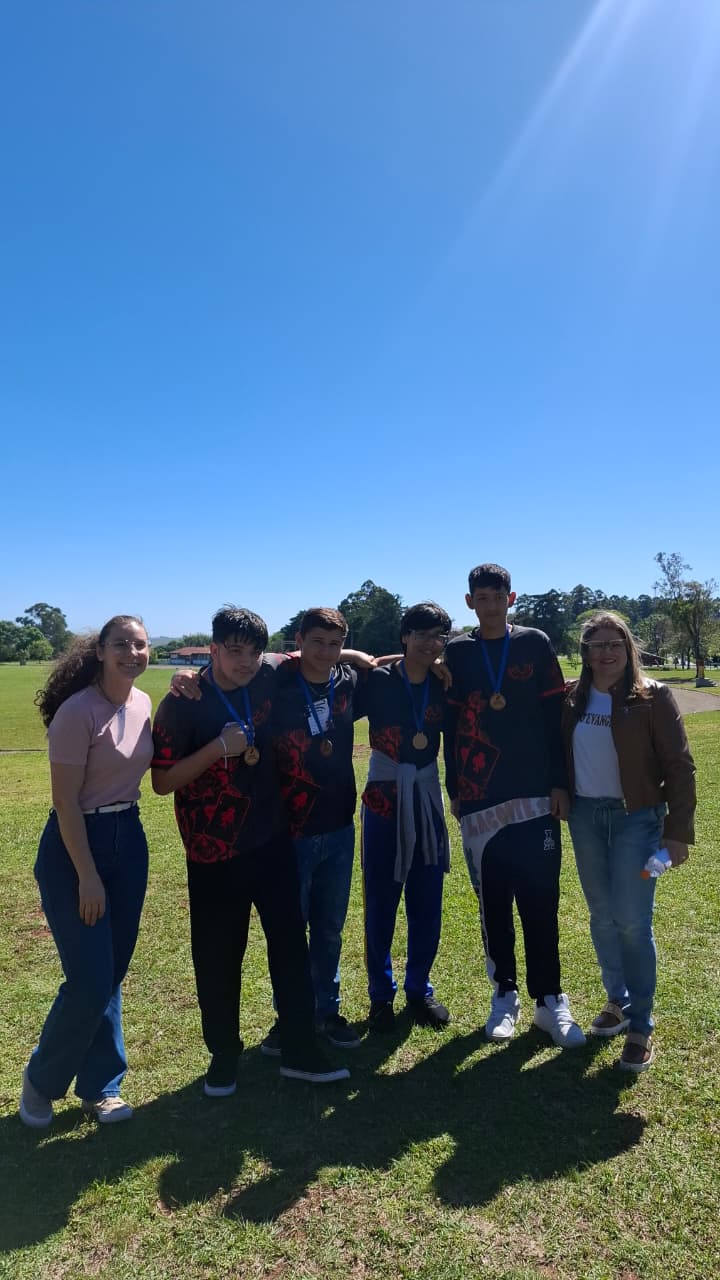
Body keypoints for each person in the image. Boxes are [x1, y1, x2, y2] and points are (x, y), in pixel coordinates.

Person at [151, 606, 350, 1092]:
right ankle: (224, 1056)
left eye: (253, 652)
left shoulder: (269, 676)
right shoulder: (182, 703)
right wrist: (217, 748)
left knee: (290, 947)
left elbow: (320, 655)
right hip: (212, 852)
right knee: (218, 956)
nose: (245, 661)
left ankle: (299, 1048)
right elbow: (162, 781)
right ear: (213, 648)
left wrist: (369, 657)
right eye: (234, 650)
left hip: (271, 840)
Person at [19, 616, 154, 1128]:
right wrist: (87, 876)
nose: (132, 653)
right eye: (121, 644)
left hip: (129, 838)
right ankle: (41, 1081)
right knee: (90, 979)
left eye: (140, 645)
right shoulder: (77, 712)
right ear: (99, 651)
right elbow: (65, 803)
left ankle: (101, 1086)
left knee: (111, 972)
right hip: (77, 846)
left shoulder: (143, 703)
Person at [443, 564, 585, 1048]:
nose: (489, 606)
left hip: (535, 793)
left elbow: (555, 715)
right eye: (480, 598)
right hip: (479, 796)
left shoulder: (534, 643)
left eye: (497, 597)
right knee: (493, 902)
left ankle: (550, 1000)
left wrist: (560, 783)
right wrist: (454, 787)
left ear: (512, 598)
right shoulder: (457, 652)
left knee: (541, 899)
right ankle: (504, 994)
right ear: (469, 602)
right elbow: (449, 725)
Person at [562, 612, 696, 1072]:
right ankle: (616, 1001)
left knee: (633, 923)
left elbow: (679, 765)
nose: (606, 652)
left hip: (636, 820)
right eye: (597, 644)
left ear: (628, 648)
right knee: (602, 915)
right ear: (585, 652)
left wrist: (677, 832)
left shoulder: (653, 696)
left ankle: (641, 1024)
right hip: (585, 817)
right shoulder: (572, 698)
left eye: (614, 643)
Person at [259, 608, 364, 1056]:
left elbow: (386, 664)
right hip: (288, 830)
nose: (325, 651)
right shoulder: (275, 680)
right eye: (316, 641)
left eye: (335, 644)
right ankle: (290, 1017)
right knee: (289, 931)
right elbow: (239, 664)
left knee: (329, 929)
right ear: (298, 640)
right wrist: (186, 676)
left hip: (339, 826)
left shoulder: (349, 681)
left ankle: (327, 1011)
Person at [361, 602, 452, 1032]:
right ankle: (381, 996)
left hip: (426, 799)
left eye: (438, 637)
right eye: (422, 635)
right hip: (383, 799)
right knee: (380, 901)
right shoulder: (378, 680)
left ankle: (419, 989)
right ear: (404, 636)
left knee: (427, 900)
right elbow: (318, 667)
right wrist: (356, 655)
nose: (431, 644)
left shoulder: (443, 683)